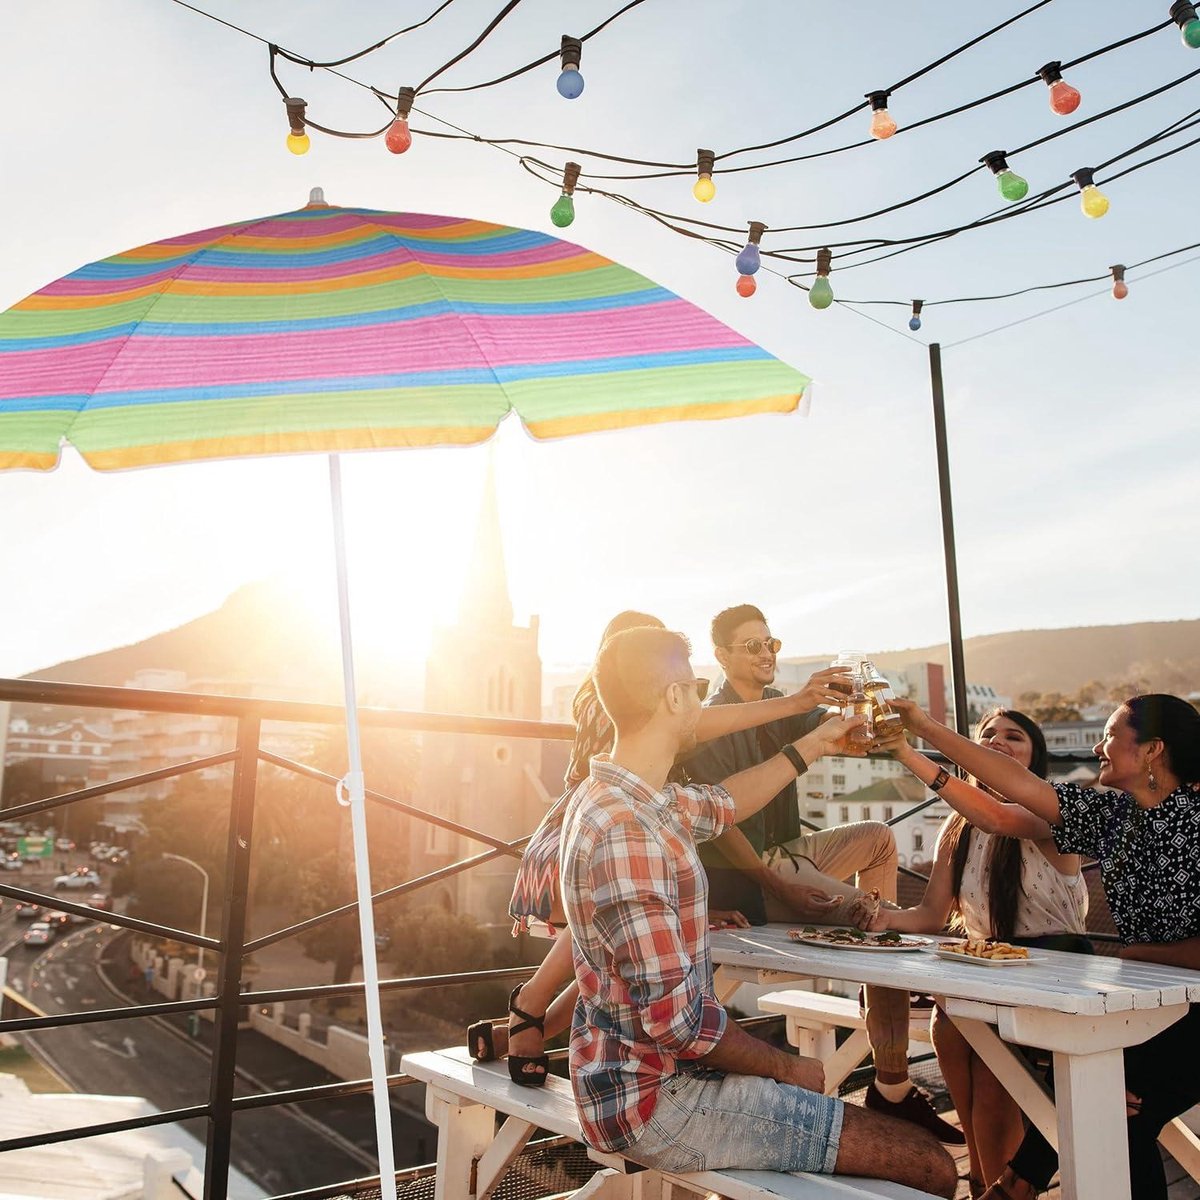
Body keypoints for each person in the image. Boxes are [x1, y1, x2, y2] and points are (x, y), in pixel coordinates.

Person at [557, 625, 957, 1193]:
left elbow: (724, 803)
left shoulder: (625, 798)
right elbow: (677, 1024)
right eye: (693, 687)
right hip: (659, 1102)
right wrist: (789, 1068)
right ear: (674, 698)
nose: (701, 698)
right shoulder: (630, 832)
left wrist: (818, 742)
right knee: (929, 1165)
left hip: (622, 1076)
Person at [469, 609, 849, 1086]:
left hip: (637, 815)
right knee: (603, 936)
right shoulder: (609, 707)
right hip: (598, 822)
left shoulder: (632, 730)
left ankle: (532, 1023)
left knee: (609, 957)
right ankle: (529, 1006)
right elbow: (704, 725)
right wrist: (794, 704)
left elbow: (715, 790)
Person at [890, 693, 1200, 1200]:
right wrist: (923, 732)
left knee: (1108, 1102)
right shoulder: (1116, 816)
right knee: (1112, 1108)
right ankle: (1014, 1185)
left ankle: (1012, 1186)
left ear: (1151, 751)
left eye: (1110, 736)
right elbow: (1006, 801)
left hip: (1183, 1017)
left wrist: (1141, 955)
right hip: (1158, 1009)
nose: (1099, 747)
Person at [684, 604, 964, 1143]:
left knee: (879, 838)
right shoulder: (715, 718)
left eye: (772, 644)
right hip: (747, 871)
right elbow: (719, 825)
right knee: (875, 924)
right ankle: (893, 1076)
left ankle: (877, 944)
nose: (766, 654)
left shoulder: (775, 705)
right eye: (752, 647)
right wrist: (779, 886)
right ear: (721, 656)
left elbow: (831, 730)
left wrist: (865, 719)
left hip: (790, 851)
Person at [873, 708, 1090, 1196]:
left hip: (1051, 970)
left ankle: (1000, 1185)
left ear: (1034, 759)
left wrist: (908, 750)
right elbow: (930, 915)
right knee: (947, 1028)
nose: (997, 741)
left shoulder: (1049, 814)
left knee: (993, 1071)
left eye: (1014, 737)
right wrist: (881, 917)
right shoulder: (957, 826)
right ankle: (980, 1177)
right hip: (982, 969)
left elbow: (995, 815)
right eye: (987, 734)